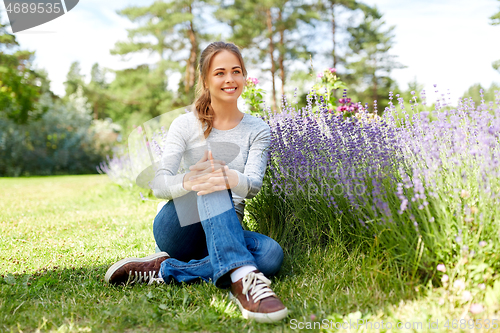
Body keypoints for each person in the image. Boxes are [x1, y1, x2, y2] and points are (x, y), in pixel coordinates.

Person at [104, 41, 288, 323]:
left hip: (225, 230)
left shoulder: (258, 129)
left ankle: (165, 271)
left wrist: (229, 177)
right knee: (209, 180)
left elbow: (253, 185)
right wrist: (191, 179)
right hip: (178, 228)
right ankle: (243, 279)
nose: (229, 79)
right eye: (220, 72)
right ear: (205, 80)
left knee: (270, 254)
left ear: (244, 76)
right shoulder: (184, 124)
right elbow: (159, 185)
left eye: (236, 71)